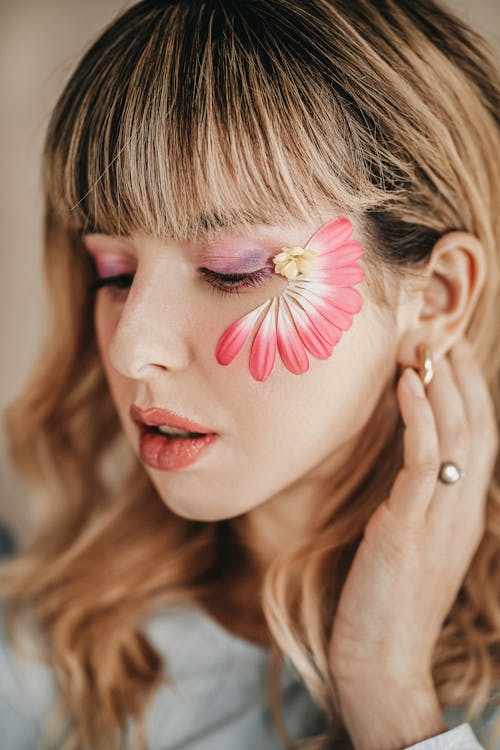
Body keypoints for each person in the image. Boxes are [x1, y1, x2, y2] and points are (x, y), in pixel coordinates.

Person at [0, 0, 499, 748]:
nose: (134, 350)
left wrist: (388, 690)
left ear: (437, 297)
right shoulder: (47, 649)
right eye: (113, 271)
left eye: (230, 270)